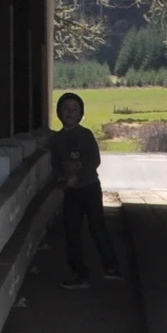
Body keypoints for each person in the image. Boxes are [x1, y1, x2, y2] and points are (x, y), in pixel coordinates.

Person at [49, 91, 121, 287]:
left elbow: (94, 161)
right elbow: (55, 163)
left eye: (74, 109)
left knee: (97, 228)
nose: (70, 113)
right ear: (59, 112)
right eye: (66, 109)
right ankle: (79, 273)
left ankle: (112, 266)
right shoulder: (56, 140)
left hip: (89, 188)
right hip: (71, 192)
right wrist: (61, 178)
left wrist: (77, 177)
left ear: (81, 114)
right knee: (72, 231)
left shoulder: (86, 135)